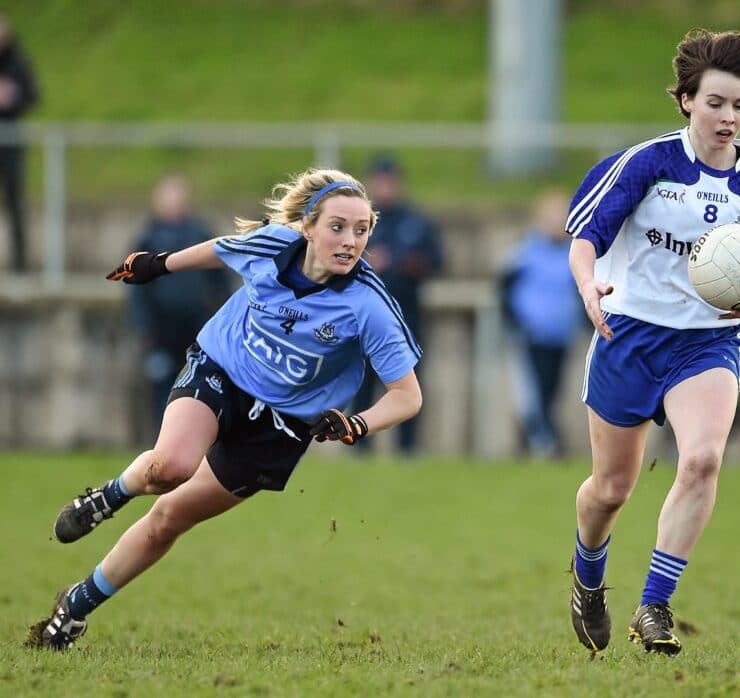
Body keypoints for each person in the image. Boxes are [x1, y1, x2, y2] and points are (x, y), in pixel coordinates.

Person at [26, 168, 423, 651]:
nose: (350, 241)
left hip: (280, 429)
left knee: (170, 518)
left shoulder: (369, 305)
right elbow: (221, 248)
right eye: (337, 227)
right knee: (170, 466)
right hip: (222, 369)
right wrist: (158, 264)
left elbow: (408, 396)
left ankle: (75, 607)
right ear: (308, 228)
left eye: (362, 230)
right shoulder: (273, 245)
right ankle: (109, 496)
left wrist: (357, 423)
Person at [565, 29, 740, 656]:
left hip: (709, 340)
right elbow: (584, 238)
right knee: (611, 489)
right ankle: (587, 579)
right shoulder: (648, 163)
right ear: (688, 99)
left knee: (701, 460)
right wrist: (589, 287)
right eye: (716, 102)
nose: (729, 116)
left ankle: (655, 606)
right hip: (630, 333)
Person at [348, 153, 442, 455]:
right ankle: (359, 446)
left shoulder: (415, 221)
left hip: (404, 320)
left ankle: (407, 448)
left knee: (405, 385)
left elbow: (436, 261)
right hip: (361, 321)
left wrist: (397, 263)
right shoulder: (358, 221)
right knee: (362, 385)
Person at [129, 174, 233, 438]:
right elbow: (137, 289)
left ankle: (195, 441)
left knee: (200, 385)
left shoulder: (200, 233)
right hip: (161, 329)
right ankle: (162, 442)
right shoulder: (148, 238)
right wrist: (143, 327)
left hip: (196, 325)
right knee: (162, 384)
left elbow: (221, 280)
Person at [498, 190, 584, 457]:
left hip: (561, 336)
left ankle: (538, 441)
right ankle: (542, 442)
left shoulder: (573, 254)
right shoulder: (525, 253)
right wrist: (515, 323)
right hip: (531, 336)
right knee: (533, 393)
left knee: (552, 390)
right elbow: (503, 288)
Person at [0, 14, 39, 272]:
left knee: (15, 203)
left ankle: (20, 264)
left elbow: (33, 97)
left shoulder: (19, 62)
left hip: (11, 143)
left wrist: (13, 97)